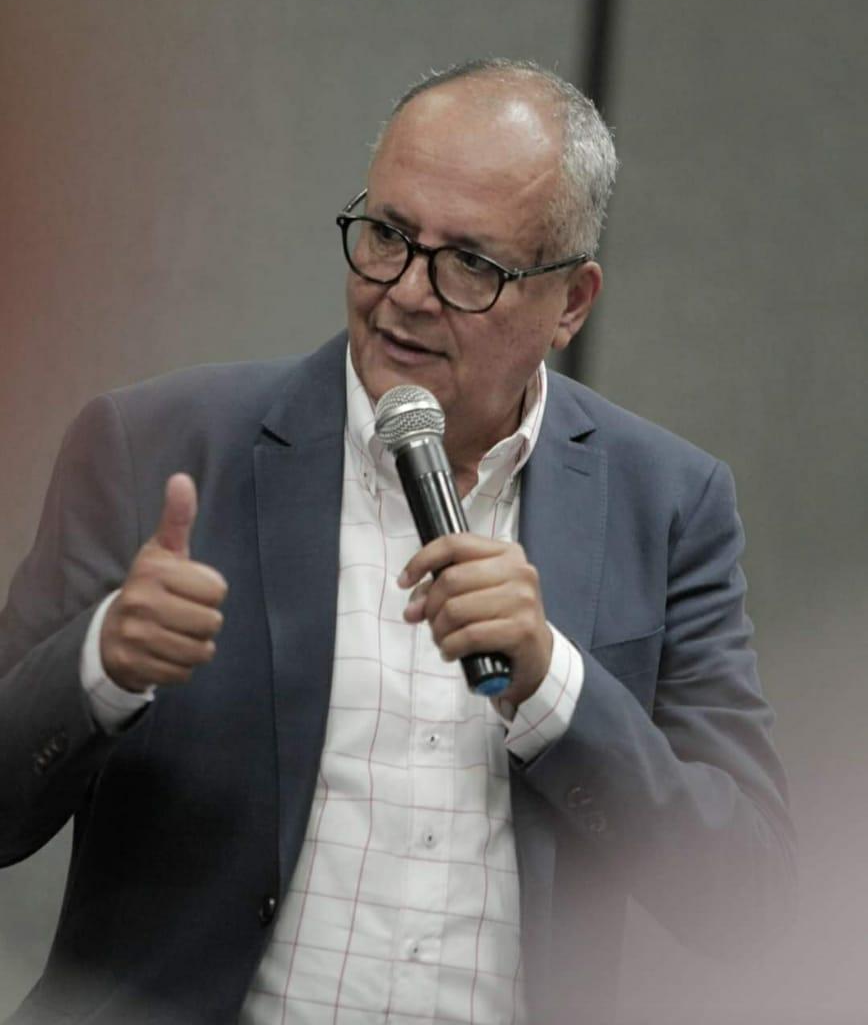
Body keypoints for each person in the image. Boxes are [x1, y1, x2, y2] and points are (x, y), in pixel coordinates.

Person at [0, 59, 794, 1025]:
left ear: (572, 304)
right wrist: (100, 668)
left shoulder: (667, 503)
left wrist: (553, 686)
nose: (409, 292)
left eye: (471, 265)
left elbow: (745, 900)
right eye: (387, 235)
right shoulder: (156, 447)